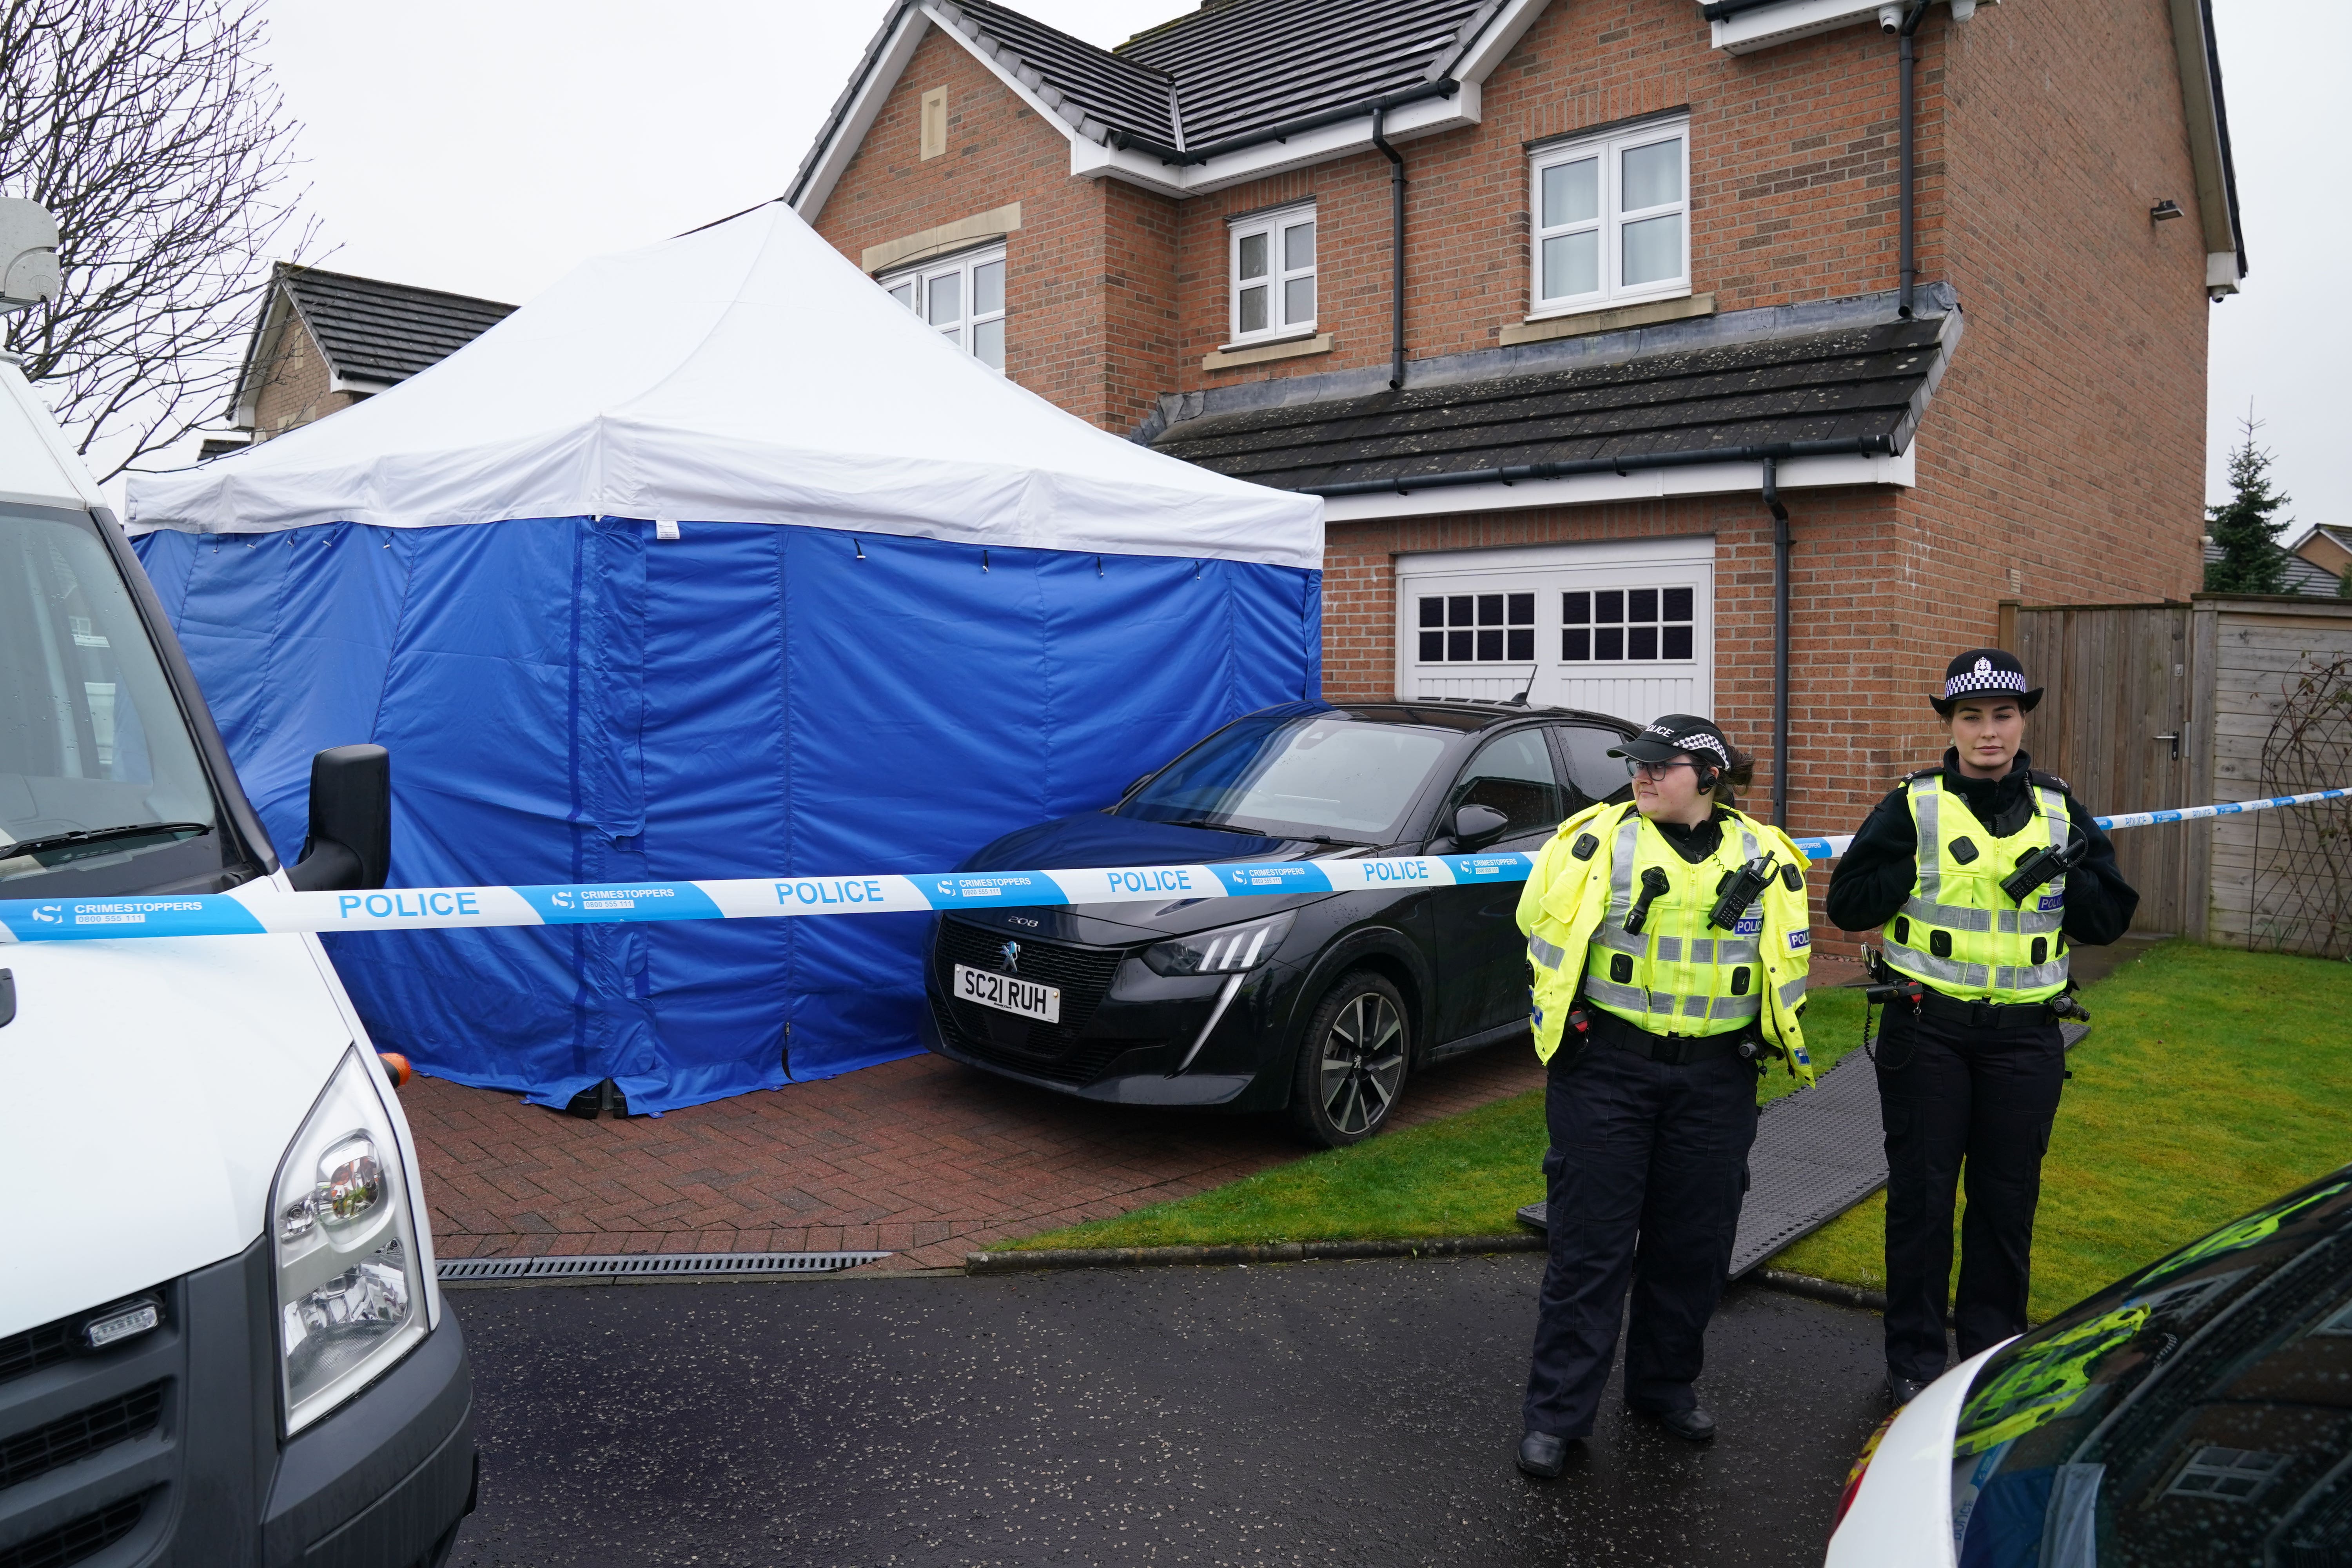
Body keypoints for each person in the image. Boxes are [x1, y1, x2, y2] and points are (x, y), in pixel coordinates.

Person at [1827, 649, 2138, 1407]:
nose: (1989, 732)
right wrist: (1913, 875)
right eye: (1972, 717)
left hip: (2026, 1039)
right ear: (1950, 724)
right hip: (1927, 1030)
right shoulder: (1914, 804)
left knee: (2006, 1202)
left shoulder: (2061, 811)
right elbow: (1848, 903)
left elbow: (2109, 918)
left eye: (2002, 715)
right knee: (1924, 1201)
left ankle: (1991, 1359)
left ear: (2022, 720)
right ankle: (1915, 1363)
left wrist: (2071, 874)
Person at [1512, 715, 1815, 1480]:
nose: (1641, 777)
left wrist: (1768, 1037)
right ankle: (1556, 1415)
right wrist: (1573, 1020)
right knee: (1590, 1246)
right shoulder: (1594, 840)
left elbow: (1786, 957)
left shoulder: (1767, 856)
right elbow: (1536, 931)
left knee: (1695, 1243)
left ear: (1709, 776)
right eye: (1636, 765)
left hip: (1718, 1077)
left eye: (1660, 766)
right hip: (1607, 1068)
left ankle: (1663, 1388)